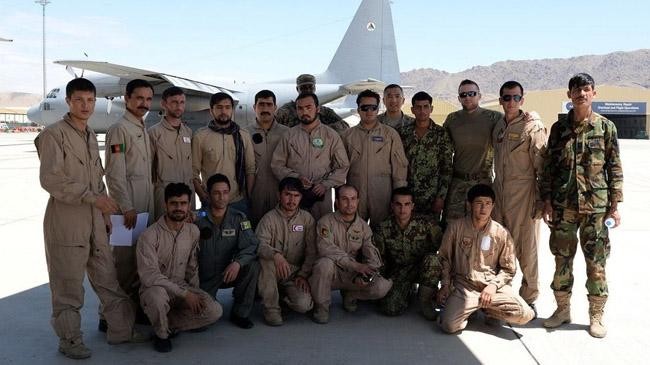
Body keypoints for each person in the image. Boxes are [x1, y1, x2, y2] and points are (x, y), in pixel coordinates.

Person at [35, 78, 146, 359]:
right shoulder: (54, 134)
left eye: (90, 101)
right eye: (79, 100)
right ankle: (70, 340)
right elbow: (51, 180)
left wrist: (106, 212)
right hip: (67, 219)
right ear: (69, 102)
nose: (85, 106)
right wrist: (92, 198)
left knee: (108, 279)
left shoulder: (88, 135)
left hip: (96, 219)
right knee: (68, 285)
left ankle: (120, 330)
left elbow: (98, 178)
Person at [540, 73, 623, 338]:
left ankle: (595, 316)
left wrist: (615, 205)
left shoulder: (606, 127)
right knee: (561, 260)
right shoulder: (558, 128)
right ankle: (562, 310)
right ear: (569, 96)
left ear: (594, 93)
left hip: (596, 208)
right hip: (564, 205)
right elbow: (548, 168)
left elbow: (614, 167)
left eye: (586, 89)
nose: (581, 94)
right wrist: (547, 201)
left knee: (596, 263)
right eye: (576, 90)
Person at [437, 184, 535, 334]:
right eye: (479, 203)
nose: (484, 208)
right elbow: (444, 258)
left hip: (491, 288)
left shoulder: (500, 233)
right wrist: (445, 285)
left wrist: (493, 286)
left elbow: (508, 269)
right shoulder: (456, 228)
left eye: (488, 204)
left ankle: (486, 308)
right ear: (469, 205)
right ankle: (471, 308)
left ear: (493, 206)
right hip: (464, 287)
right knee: (449, 326)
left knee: (525, 314)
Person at [137, 183, 222, 352]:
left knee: (214, 311)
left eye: (183, 203)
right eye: (174, 203)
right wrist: (185, 294)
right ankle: (162, 334)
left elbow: (192, 268)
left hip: (181, 286)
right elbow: (150, 276)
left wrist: (193, 294)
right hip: (156, 287)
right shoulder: (149, 235)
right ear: (165, 205)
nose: (179, 208)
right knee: (157, 297)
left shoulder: (192, 231)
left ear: (189, 205)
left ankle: (164, 321)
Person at [492, 81, 547, 316]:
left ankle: (529, 296)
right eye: (506, 98)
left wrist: (543, 199)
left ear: (522, 100)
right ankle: (501, 293)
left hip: (523, 195)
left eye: (515, 98)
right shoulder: (499, 127)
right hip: (500, 194)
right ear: (501, 100)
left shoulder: (532, 127)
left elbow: (542, 166)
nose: (511, 102)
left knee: (526, 248)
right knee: (499, 246)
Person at [309, 185, 392, 324]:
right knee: (324, 264)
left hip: (353, 275)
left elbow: (372, 253)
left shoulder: (364, 227)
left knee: (382, 286)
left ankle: (351, 295)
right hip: (332, 274)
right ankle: (322, 307)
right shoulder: (325, 222)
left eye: (353, 199)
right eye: (345, 199)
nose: (349, 203)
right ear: (337, 202)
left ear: (358, 201)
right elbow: (325, 248)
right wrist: (355, 265)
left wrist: (366, 274)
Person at [105, 78, 155, 305]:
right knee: (123, 261)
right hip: (128, 210)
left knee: (139, 259)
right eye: (139, 98)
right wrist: (126, 207)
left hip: (143, 206)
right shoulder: (119, 130)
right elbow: (114, 174)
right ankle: (111, 316)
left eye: (148, 99)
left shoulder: (141, 128)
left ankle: (132, 310)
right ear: (127, 99)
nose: (144, 103)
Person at [271, 92, 350, 221]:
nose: (304, 112)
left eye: (309, 107)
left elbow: (343, 166)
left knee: (321, 231)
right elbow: (276, 164)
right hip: (295, 197)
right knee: (296, 232)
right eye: (300, 108)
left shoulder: (330, 136)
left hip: (321, 197)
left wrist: (325, 184)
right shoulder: (289, 136)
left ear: (317, 109)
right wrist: (296, 178)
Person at [196, 174, 260, 329]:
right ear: (208, 194)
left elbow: (251, 245)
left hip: (228, 273)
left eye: (225, 192)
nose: (221, 197)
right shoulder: (197, 218)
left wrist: (238, 263)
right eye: (216, 193)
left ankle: (240, 313)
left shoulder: (238, 218)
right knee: (201, 324)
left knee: (252, 266)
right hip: (203, 278)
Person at [341, 89, 408, 226]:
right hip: (355, 194)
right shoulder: (347, 136)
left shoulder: (390, 134)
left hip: (382, 193)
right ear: (358, 110)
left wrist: (398, 196)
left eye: (373, 107)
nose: (369, 111)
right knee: (353, 230)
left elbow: (399, 167)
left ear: (378, 109)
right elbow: (340, 167)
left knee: (381, 232)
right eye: (364, 107)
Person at [256, 177, 317, 326]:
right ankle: (271, 308)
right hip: (273, 271)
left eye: (296, 196)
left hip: (295, 273)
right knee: (266, 260)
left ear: (301, 197)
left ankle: (282, 296)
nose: (292, 200)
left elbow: (312, 252)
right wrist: (275, 255)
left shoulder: (307, 220)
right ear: (279, 195)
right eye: (288, 194)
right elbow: (258, 244)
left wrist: (303, 275)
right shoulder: (269, 219)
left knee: (304, 305)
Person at [374, 187, 442, 320]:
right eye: (398, 204)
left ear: (412, 206)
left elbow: (443, 250)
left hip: (423, 268)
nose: (402, 209)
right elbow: (379, 259)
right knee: (390, 308)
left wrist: (446, 282)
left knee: (433, 259)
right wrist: (380, 285)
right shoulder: (383, 228)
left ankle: (425, 301)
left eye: (406, 204)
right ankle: (408, 291)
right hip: (400, 271)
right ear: (392, 206)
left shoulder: (427, 224)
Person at [443, 80, 502, 223]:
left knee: (481, 227)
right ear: (459, 98)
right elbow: (442, 147)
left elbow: (514, 122)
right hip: (458, 183)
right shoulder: (452, 119)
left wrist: (532, 116)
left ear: (479, 96)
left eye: (472, 94)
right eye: (463, 95)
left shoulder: (494, 118)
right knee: (452, 227)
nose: (467, 97)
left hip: (482, 183)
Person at [192, 92, 255, 214]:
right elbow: (193, 172)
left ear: (232, 110)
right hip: (211, 202)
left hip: (238, 201)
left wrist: (248, 196)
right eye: (219, 107)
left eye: (227, 107)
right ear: (211, 110)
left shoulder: (243, 135)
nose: (223, 111)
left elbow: (250, 169)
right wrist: (203, 197)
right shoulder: (200, 136)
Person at [398, 91, 453, 221]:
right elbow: (398, 164)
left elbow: (447, 168)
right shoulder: (403, 133)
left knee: (431, 234)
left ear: (431, 108)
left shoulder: (441, 134)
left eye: (425, 106)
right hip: (407, 197)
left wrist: (441, 197)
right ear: (412, 109)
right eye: (418, 107)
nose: (422, 110)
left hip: (432, 197)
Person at [244, 90, 289, 226]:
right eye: (261, 105)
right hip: (254, 193)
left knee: (279, 228)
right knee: (254, 228)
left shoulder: (287, 133)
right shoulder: (244, 133)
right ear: (254, 108)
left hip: (280, 192)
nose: (265, 109)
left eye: (269, 105)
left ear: (275, 108)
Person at [149, 86, 194, 220]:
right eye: (174, 102)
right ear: (164, 104)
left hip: (186, 197)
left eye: (182, 102)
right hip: (164, 198)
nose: (178, 106)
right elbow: (148, 169)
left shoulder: (188, 132)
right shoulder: (154, 133)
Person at [275, 73, 350, 133]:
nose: (307, 90)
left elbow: (345, 128)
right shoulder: (286, 111)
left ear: (314, 88)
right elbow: (272, 129)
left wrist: (319, 132)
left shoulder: (325, 112)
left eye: (310, 87)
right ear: (297, 89)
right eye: (303, 87)